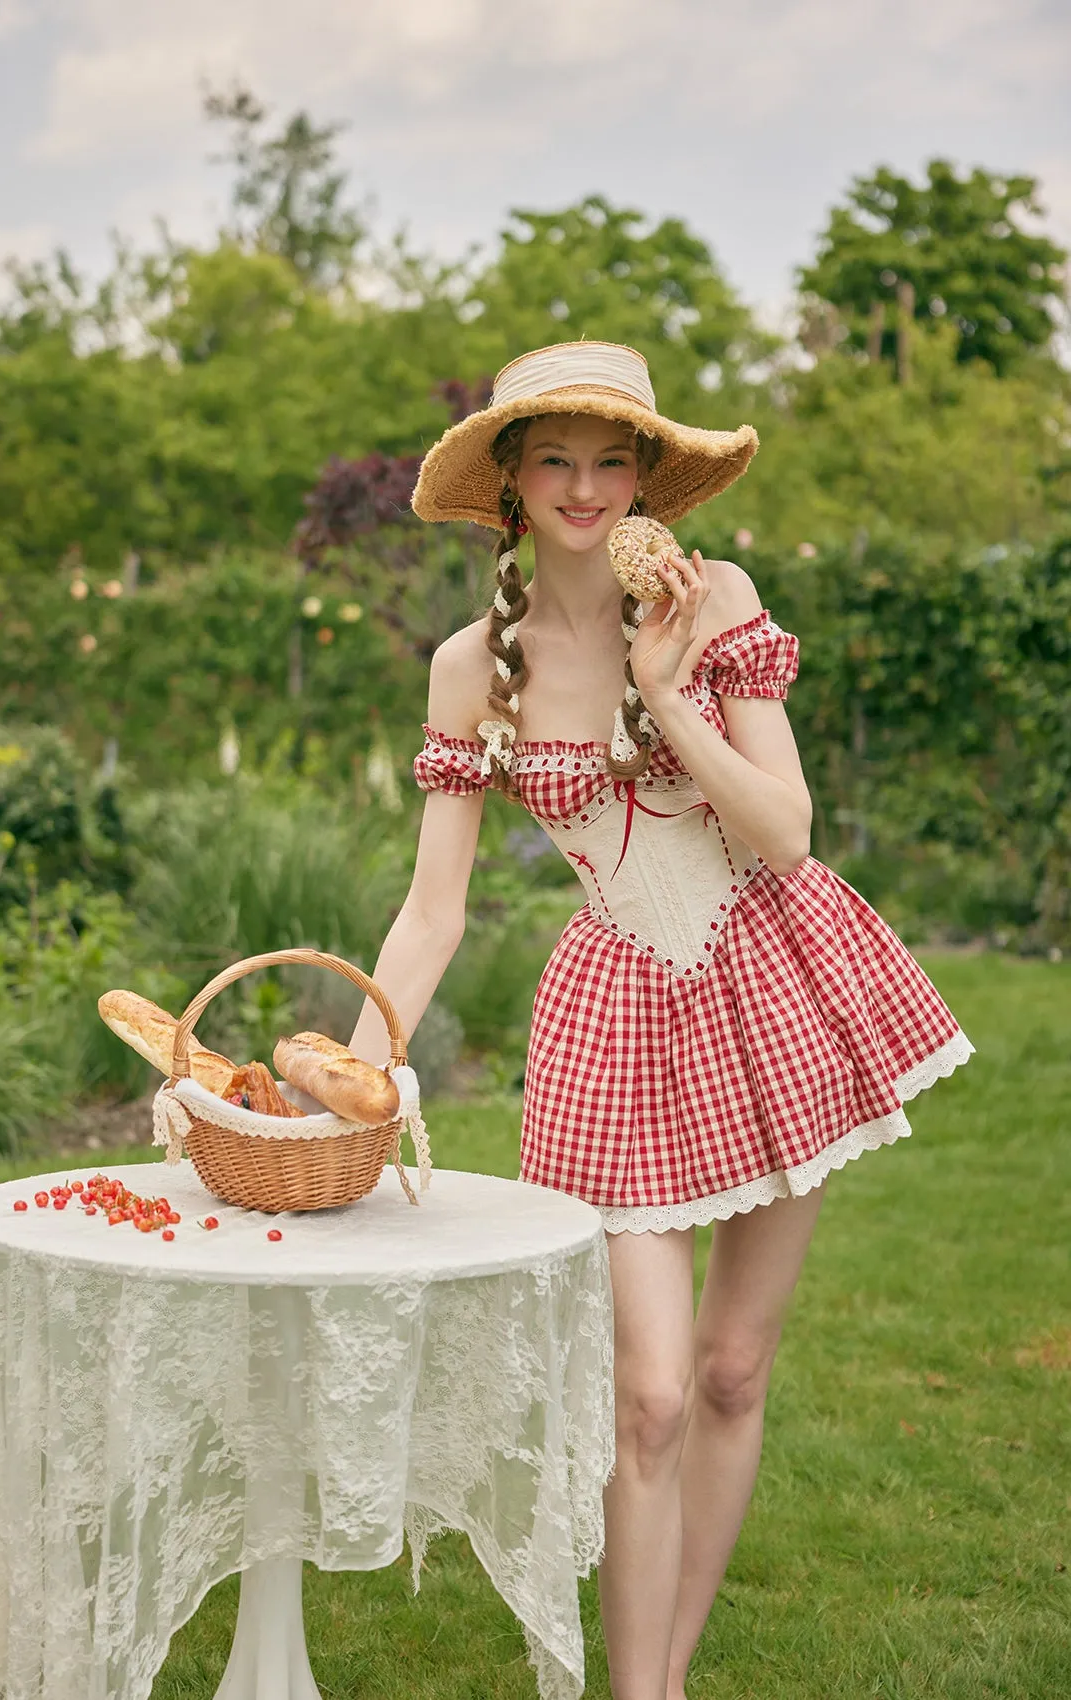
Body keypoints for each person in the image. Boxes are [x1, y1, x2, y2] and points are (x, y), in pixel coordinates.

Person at [346, 340, 974, 1700]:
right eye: (555, 460)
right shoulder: (471, 666)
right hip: (616, 1013)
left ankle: (666, 1681)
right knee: (651, 1393)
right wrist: (359, 1065)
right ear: (508, 482)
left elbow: (789, 836)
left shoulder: (722, 598)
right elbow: (432, 909)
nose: (586, 487)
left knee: (737, 1369)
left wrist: (672, 690)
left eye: (612, 459)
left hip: (780, 975)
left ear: (648, 478)